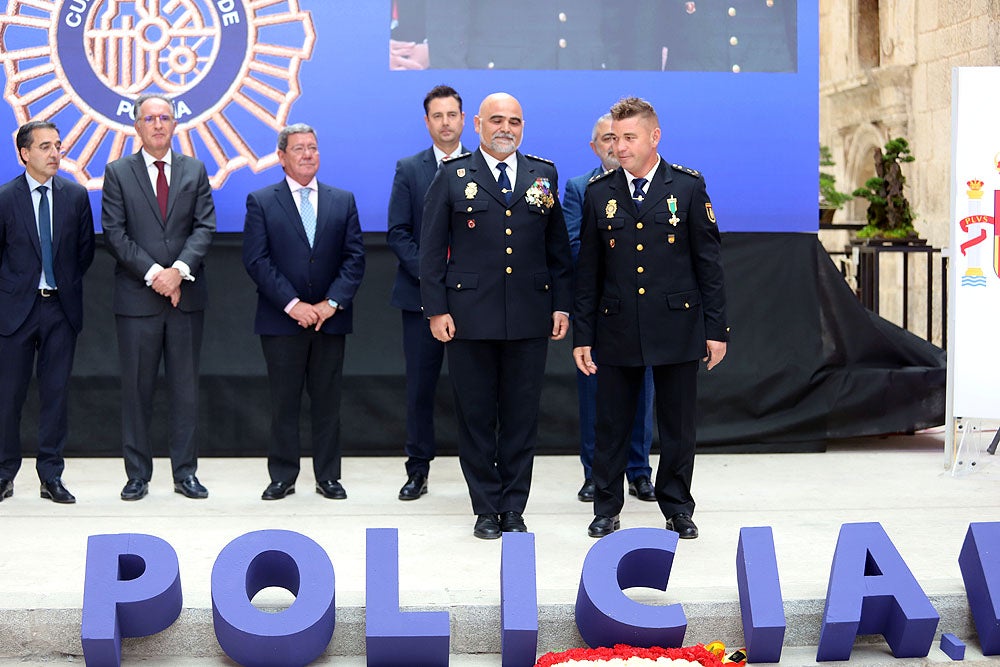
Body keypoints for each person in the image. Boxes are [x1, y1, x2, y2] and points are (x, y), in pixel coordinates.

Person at [574, 97, 728, 540]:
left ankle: (677, 506)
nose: (620, 147)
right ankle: (606, 506)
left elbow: (709, 267)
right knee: (611, 424)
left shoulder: (687, 188)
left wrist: (715, 330)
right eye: (615, 138)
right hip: (617, 325)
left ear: (653, 137)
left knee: (678, 425)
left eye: (629, 138)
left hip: (677, 325)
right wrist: (583, 334)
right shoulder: (599, 193)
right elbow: (589, 271)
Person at [420, 92, 573, 539]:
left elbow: (557, 248)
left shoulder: (542, 174)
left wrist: (560, 303)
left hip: (529, 316)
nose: (506, 128)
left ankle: (513, 506)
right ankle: (486, 507)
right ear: (478, 126)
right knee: (477, 417)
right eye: (497, 120)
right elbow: (430, 253)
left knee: (522, 417)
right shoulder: (452, 176)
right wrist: (436, 310)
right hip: (469, 318)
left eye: (515, 121)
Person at [102, 93, 216, 501]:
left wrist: (178, 272)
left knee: (185, 390)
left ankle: (185, 473)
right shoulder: (117, 172)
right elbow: (115, 233)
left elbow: (204, 227)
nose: (158, 125)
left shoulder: (194, 169)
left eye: (165, 117)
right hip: (137, 299)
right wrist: (156, 275)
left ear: (174, 124)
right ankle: (137, 475)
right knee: (137, 390)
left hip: (184, 298)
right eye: (149, 118)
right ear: (137, 126)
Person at [243, 124, 365, 501]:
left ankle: (328, 476)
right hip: (282, 321)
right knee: (284, 401)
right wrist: (294, 305)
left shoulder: (342, 200)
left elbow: (354, 258)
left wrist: (330, 303)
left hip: (330, 319)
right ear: (281, 157)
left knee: (328, 401)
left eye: (313, 147)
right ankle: (283, 475)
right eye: (299, 149)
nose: (308, 154)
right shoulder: (261, 201)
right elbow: (257, 260)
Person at [562, 113, 656, 504]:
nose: (615, 146)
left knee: (643, 394)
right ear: (595, 146)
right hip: (600, 310)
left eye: (621, 137)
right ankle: (594, 473)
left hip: (644, 309)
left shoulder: (655, 186)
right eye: (606, 139)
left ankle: (639, 471)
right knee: (596, 396)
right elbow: (573, 243)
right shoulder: (581, 188)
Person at [0, 120, 95, 504]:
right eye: (45, 147)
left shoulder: (75, 196)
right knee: (9, 397)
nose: (55, 154)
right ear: (24, 153)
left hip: (60, 309)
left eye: (58, 146)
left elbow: (83, 253)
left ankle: (51, 475)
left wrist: (61, 287)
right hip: (15, 311)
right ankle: (5, 473)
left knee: (55, 396)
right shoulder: (6, 198)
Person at [387, 85, 465, 501]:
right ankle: (417, 469)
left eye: (452, 114)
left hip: (473, 300)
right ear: (427, 122)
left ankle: (481, 467)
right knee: (420, 389)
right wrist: (434, 276)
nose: (445, 122)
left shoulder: (479, 166)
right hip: (420, 299)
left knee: (476, 389)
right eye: (438, 116)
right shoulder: (409, 168)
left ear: (463, 119)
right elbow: (398, 233)